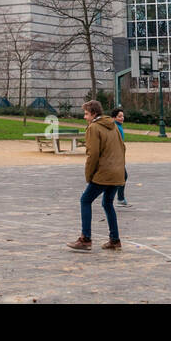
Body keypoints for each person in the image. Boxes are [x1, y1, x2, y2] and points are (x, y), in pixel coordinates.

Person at [68, 99, 126, 251]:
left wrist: (89, 175)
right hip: (117, 172)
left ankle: (85, 238)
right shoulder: (113, 125)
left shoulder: (93, 128)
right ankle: (115, 239)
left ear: (94, 114)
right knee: (107, 203)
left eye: (86, 114)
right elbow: (122, 148)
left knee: (85, 200)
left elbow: (92, 154)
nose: (84, 117)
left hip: (104, 172)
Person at [110, 106, 130, 207]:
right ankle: (119, 199)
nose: (122, 118)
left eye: (122, 116)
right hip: (116, 157)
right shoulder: (115, 127)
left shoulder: (118, 126)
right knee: (122, 176)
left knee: (122, 176)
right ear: (114, 118)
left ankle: (120, 198)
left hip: (119, 156)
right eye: (119, 116)